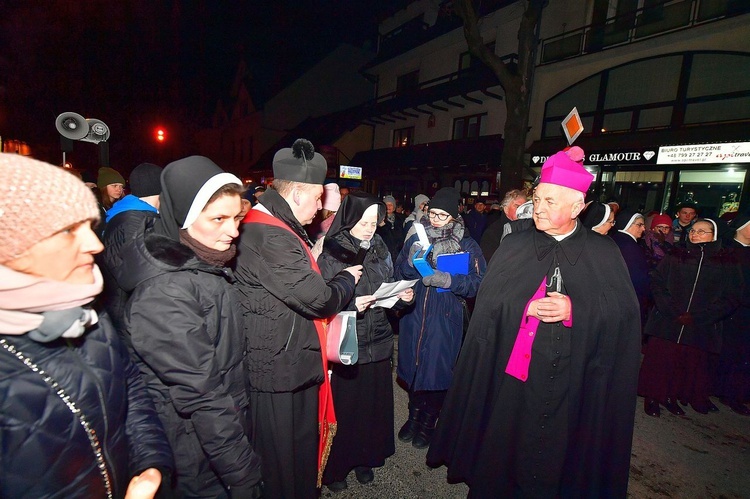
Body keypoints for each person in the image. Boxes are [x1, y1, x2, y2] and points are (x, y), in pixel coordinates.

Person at [427, 150, 641, 498]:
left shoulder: (605, 252)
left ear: (577, 207)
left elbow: (625, 318)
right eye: (537, 198)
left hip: (575, 378)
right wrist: (525, 305)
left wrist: (576, 309)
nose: (538, 207)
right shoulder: (514, 244)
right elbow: (489, 304)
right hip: (515, 375)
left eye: (549, 201)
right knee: (504, 452)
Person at [0, 154, 173, 498]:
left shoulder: (90, 311)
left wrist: (149, 465)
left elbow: (130, 389)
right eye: (68, 231)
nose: (95, 245)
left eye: (89, 227)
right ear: (10, 244)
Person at [118, 156, 263, 497]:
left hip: (215, 443)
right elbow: (204, 397)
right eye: (218, 219)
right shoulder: (165, 292)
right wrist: (243, 477)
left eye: (236, 218)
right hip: (193, 455)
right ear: (183, 219)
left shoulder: (206, 265)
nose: (233, 230)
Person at [235, 138, 361, 498]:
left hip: (282, 361)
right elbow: (319, 299)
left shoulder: (271, 223)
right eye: (319, 196)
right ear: (299, 194)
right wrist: (346, 280)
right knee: (282, 467)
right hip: (278, 371)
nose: (321, 205)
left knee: (291, 460)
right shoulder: (272, 235)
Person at [317, 191, 414, 491]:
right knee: (347, 409)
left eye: (375, 221)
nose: (371, 227)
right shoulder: (331, 252)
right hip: (349, 342)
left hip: (379, 340)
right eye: (364, 221)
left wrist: (401, 298)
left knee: (371, 409)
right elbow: (320, 301)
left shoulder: (380, 246)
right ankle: (336, 468)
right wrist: (349, 305)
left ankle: (364, 460)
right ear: (348, 219)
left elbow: (387, 284)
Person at [395, 187, 485, 450]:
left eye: (442, 215)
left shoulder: (467, 244)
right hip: (414, 314)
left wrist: (449, 279)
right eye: (432, 213)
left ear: (454, 217)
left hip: (445, 316)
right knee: (414, 365)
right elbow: (399, 270)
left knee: (437, 371)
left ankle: (428, 421)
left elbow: (479, 283)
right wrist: (409, 263)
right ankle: (413, 416)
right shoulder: (416, 237)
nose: (435, 219)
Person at [640, 218, 740, 417]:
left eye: (702, 231)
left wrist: (699, 317)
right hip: (668, 320)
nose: (695, 234)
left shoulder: (726, 262)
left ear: (715, 235)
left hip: (699, 325)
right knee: (660, 361)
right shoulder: (676, 254)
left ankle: (671, 397)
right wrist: (671, 310)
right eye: (693, 230)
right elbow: (657, 282)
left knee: (685, 364)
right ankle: (652, 397)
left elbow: (731, 297)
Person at [100, 162, 162, 334]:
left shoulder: (125, 214)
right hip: (127, 314)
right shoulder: (139, 222)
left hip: (118, 307)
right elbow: (140, 277)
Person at [718, 214, 750, 415]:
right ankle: (728, 392)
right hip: (733, 312)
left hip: (744, 313)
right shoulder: (728, 252)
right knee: (731, 352)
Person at [610, 210, 650, 326]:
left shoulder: (615, 239)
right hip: (628, 300)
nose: (643, 229)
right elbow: (638, 278)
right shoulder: (630, 247)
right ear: (627, 224)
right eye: (639, 225)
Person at [480, 189, 528, 262]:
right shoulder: (493, 232)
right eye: (517, 207)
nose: (521, 211)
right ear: (506, 209)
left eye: (524, 207)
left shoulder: (528, 229)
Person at [95, 166, 126, 237]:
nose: (119, 189)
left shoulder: (120, 205)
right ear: (104, 187)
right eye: (114, 186)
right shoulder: (95, 208)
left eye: (121, 186)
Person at [377, 194, 406, 264]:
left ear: (394, 207)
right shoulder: (379, 219)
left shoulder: (400, 219)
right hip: (382, 255)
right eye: (386, 204)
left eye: (391, 205)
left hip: (397, 255)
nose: (388, 207)